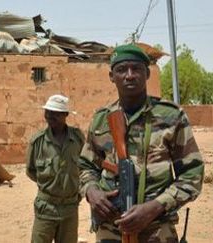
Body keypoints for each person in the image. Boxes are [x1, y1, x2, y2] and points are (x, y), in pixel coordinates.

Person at [78, 44, 204, 242]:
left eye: (136, 68)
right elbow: (86, 166)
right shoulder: (101, 119)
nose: (129, 75)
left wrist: (155, 207)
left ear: (147, 74)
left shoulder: (171, 116)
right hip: (110, 229)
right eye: (121, 70)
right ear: (112, 76)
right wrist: (92, 191)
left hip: (156, 229)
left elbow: (192, 174)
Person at [26, 94, 85, 243]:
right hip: (46, 208)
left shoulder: (78, 139)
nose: (50, 116)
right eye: (48, 112)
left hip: (70, 208)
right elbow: (31, 171)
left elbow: (86, 166)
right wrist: (51, 186)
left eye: (56, 113)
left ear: (65, 115)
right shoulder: (38, 142)